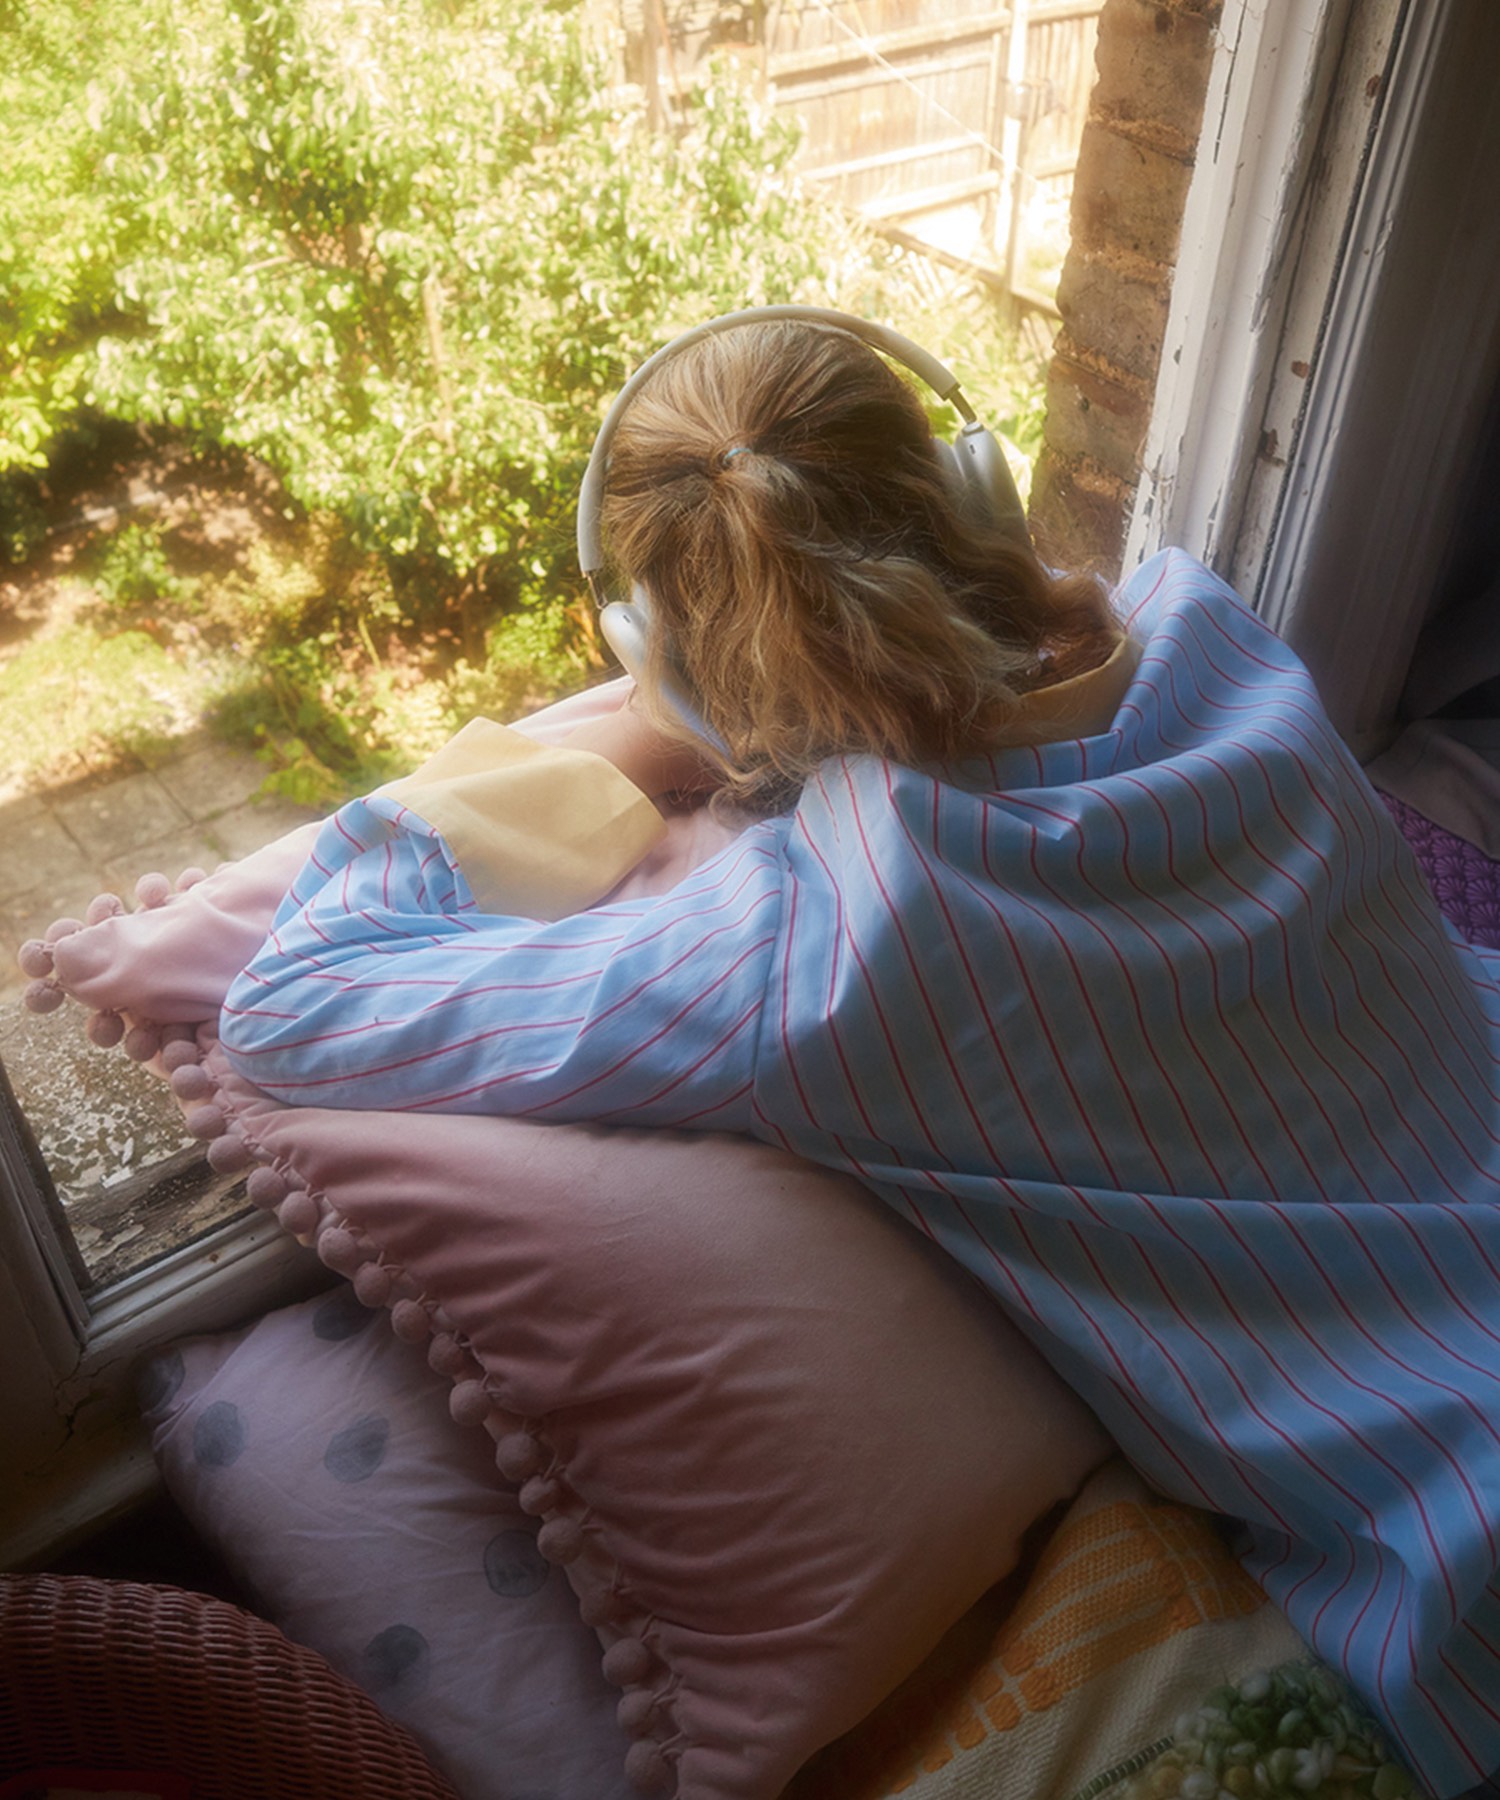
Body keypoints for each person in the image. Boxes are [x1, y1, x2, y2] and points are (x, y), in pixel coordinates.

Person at [218, 317, 1500, 1799]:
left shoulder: (815, 954)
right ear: (967, 482)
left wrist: (596, 758)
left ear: (676, 674)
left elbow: (297, 999)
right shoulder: (1222, 654)